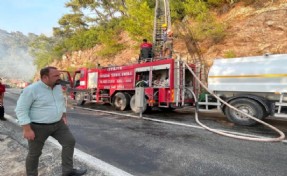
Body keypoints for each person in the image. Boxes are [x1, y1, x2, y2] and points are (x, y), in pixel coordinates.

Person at [15, 66, 87, 176]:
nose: (59, 78)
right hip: (38, 127)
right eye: (56, 76)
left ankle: (67, 171)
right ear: (45, 77)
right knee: (35, 153)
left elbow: (61, 101)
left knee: (69, 141)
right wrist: (27, 129)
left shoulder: (57, 87)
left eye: (59, 75)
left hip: (58, 124)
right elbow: (20, 109)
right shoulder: (31, 90)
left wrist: (63, 114)